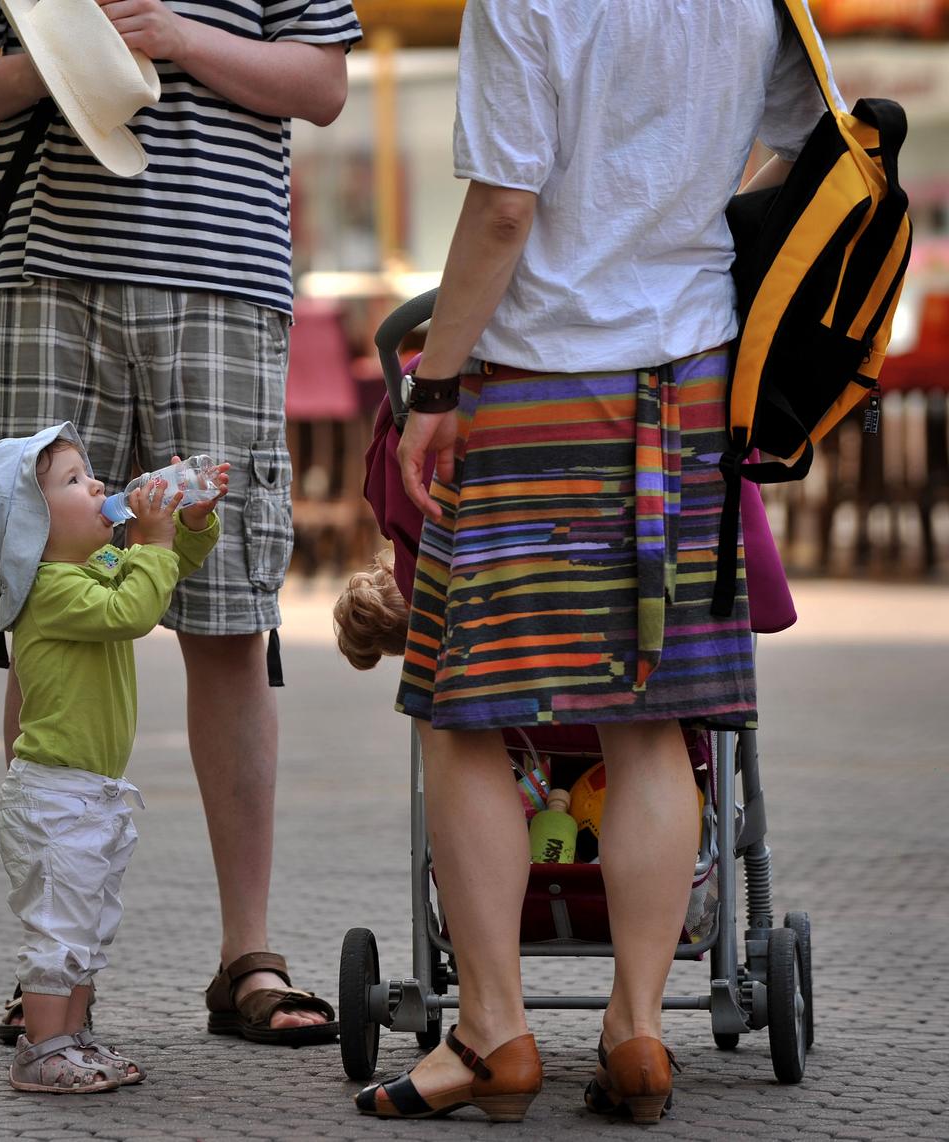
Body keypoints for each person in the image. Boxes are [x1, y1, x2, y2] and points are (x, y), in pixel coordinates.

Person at [351, 0, 834, 1123]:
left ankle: (492, 1034)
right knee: (650, 717)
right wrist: (679, 216)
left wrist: (432, 387)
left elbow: (505, 211)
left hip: (536, 380)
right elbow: (813, 137)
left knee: (464, 711)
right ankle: (636, 1029)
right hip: (694, 372)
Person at [0, 0, 358, 1048]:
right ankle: (52, 965)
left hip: (223, 276)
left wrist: (172, 38)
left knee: (226, 619)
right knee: (43, 615)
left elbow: (322, 84)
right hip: (42, 276)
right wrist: (63, 62)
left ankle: (246, 952)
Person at [0, 422, 226, 1093]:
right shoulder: (50, 590)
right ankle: (41, 1047)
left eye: (89, 473)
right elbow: (134, 609)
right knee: (59, 929)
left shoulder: (87, 570)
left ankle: (71, 1039)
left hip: (88, 791)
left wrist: (186, 528)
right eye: (73, 481)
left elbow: (155, 577)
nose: (99, 485)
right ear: (30, 531)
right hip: (54, 798)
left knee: (86, 925)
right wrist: (155, 541)